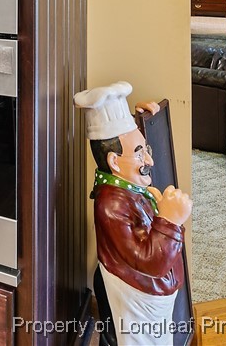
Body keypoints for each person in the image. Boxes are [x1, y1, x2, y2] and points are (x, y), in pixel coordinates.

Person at [74, 82, 192, 346]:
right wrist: (170, 221)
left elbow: (134, 158)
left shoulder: (125, 185)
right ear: (114, 161)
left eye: (146, 151)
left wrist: (143, 124)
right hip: (134, 301)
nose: (149, 161)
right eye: (140, 153)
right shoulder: (112, 205)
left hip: (147, 299)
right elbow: (149, 262)